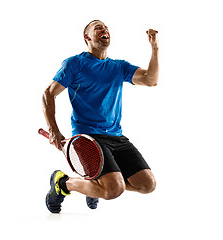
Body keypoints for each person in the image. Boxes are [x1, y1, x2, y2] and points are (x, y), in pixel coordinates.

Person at [42, 20, 159, 213]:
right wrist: (53, 129)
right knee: (115, 189)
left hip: (116, 137)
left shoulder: (119, 67)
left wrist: (154, 48)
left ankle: (95, 187)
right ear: (87, 37)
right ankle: (63, 183)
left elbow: (150, 80)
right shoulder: (75, 64)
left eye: (106, 27)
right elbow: (49, 93)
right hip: (88, 138)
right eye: (98, 27)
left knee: (147, 185)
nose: (104, 29)